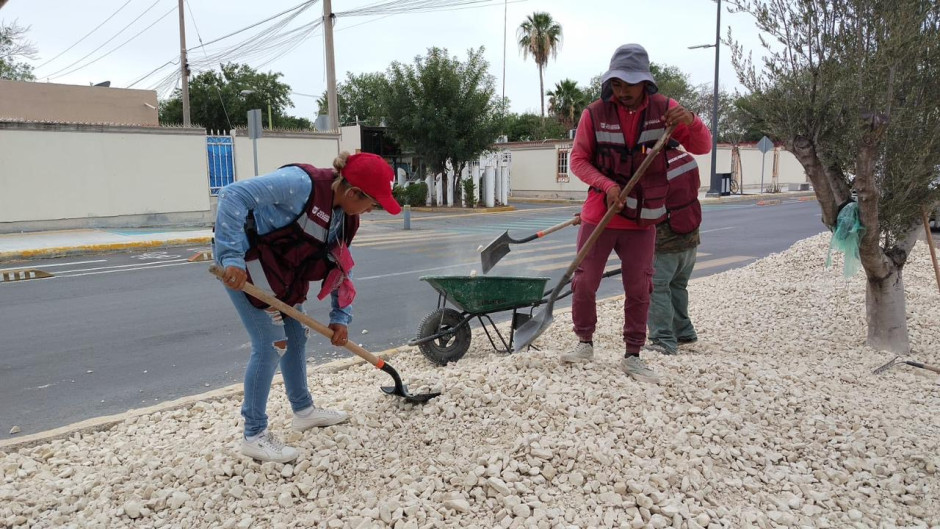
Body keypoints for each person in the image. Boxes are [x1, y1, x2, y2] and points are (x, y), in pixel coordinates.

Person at [214, 152, 401, 463]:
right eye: (372, 203)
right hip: (247, 266)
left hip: (282, 272)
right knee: (272, 343)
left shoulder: (345, 217)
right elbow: (233, 194)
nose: (371, 210)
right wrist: (231, 257)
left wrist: (340, 317)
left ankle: (303, 411)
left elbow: (342, 267)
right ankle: (254, 435)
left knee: (297, 337)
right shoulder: (301, 184)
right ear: (354, 192)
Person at [559, 43, 712, 384]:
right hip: (601, 213)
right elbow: (579, 161)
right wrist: (606, 185)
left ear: (645, 82)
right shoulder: (594, 114)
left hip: (643, 218)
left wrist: (691, 120)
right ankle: (584, 341)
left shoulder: (667, 111)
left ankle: (633, 354)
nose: (622, 91)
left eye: (629, 83)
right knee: (584, 281)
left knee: (640, 288)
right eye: (616, 83)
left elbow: (702, 146)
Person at [646, 168, 703, 356]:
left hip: (666, 241)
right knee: (678, 286)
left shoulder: (655, 166)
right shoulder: (687, 160)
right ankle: (684, 333)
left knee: (657, 288)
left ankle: (663, 341)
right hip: (690, 238)